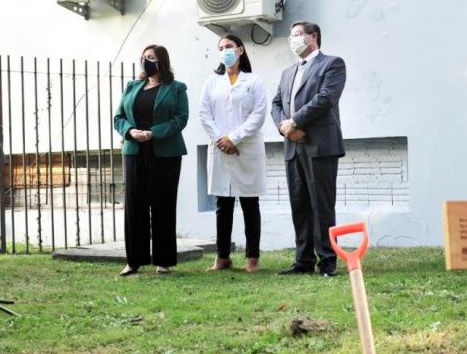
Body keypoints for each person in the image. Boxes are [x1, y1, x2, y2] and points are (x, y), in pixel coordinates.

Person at [270, 21, 346, 277]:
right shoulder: (287, 72)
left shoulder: (332, 64)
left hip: (320, 145)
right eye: (291, 36)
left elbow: (325, 98)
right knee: (299, 203)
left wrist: (295, 121)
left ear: (313, 37)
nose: (293, 39)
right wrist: (285, 128)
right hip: (293, 145)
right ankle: (303, 260)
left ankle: (327, 261)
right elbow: (277, 103)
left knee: (321, 204)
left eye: (297, 34)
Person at [114, 44, 188, 276]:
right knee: (135, 205)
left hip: (165, 152)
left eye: (151, 57)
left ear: (161, 61)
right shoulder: (133, 86)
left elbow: (181, 118)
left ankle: (163, 260)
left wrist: (154, 132)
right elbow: (118, 117)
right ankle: (134, 260)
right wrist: (130, 132)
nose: (145, 61)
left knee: (163, 204)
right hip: (135, 150)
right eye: (143, 57)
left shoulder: (176, 88)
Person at [199, 34, 268, 273]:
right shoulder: (211, 82)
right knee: (223, 204)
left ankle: (252, 258)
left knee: (250, 203)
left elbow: (258, 115)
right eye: (221, 48)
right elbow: (204, 114)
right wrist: (222, 139)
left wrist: (234, 138)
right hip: (220, 148)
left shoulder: (254, 81)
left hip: (246, 148)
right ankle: (222, 256)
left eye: (229, 46)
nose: (225, 51)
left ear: (240, 50)